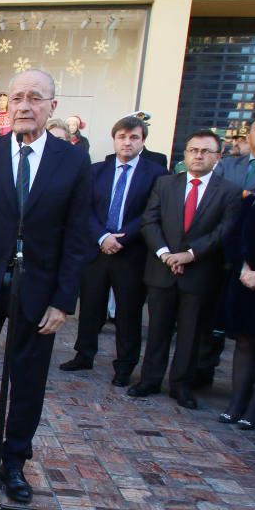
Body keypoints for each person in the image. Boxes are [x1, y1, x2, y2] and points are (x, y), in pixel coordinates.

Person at [0, 69, 91, 504]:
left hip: (39, 292)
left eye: (35, 98)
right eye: (18, 97)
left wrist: (64, 300)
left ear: (52, 107)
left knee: (28, 383)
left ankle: (13, 465)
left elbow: (76, 235)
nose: (25, 105)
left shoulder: (72, 160)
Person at [128, 130, 242, 409]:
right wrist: (166, 254)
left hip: (199, 273)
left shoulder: (228, 191)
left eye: (206, 151)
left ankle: (181, 384)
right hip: (162, 269)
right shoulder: (165, 184)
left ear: (217, 157)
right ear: (186, 154)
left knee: (191, 334)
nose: (199, 155)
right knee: (157, 329)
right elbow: (149, 221)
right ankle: (150, 379)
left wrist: (190, 255)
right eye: (193, 150)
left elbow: (224, 230)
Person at [59, 116, 168, 386]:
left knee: (128, 312)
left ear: (143, 141)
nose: (127, 142)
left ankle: (124, 366)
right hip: (97, 250)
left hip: (130, 253)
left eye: (133, 137)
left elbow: (150, 213)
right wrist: (102, 236)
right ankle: (84, 354)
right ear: (114, 139)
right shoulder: (97, 170)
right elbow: (84, 208)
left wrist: (122, 238)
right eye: (122, 137)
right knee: (91, 306)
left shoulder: (156, 174)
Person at [220, 190, 255, 429]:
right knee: (244, 342)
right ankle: (236, 404)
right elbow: (236, 237)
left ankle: (254, 408)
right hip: (246, 283)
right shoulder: (254, 201)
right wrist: (245, 266)